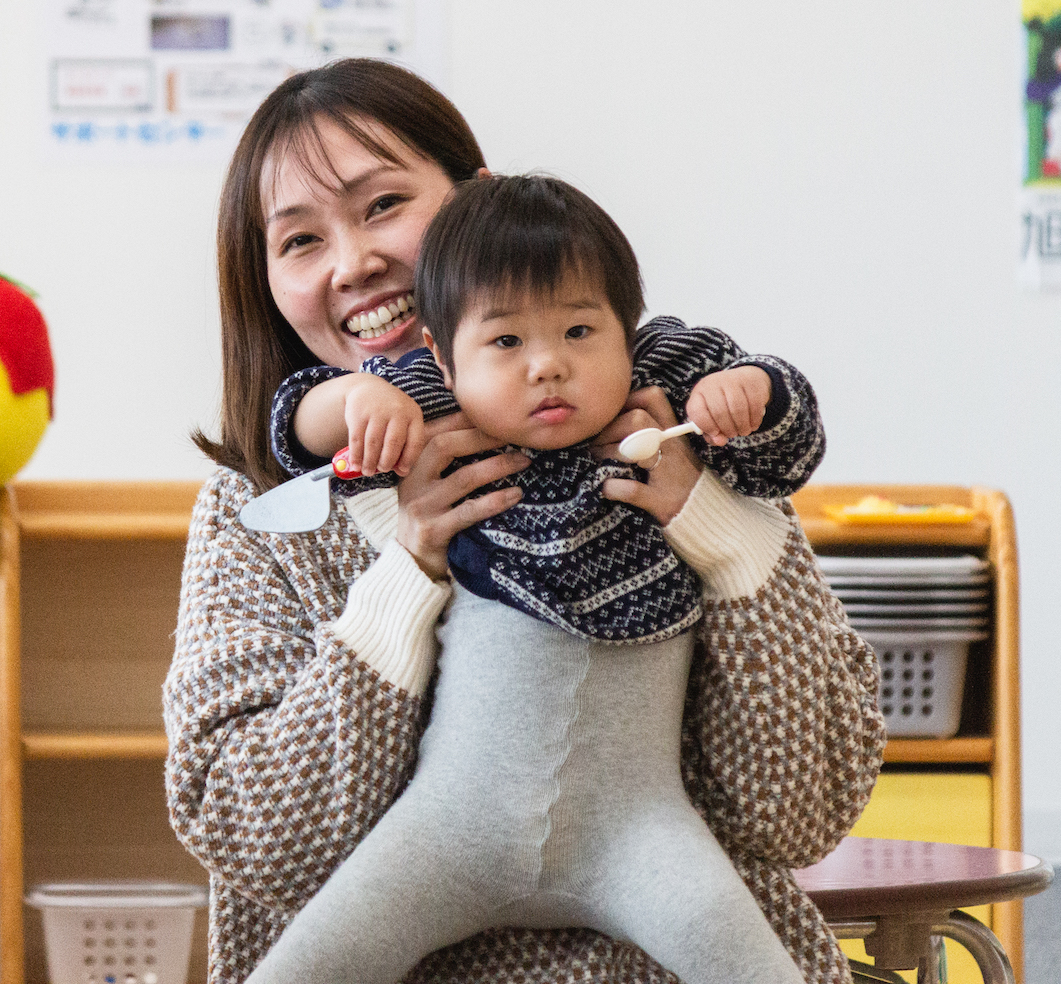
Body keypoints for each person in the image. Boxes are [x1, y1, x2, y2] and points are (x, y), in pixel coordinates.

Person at [163, 58, 885, 984]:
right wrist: (409, 571)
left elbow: (799, 812)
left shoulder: (664, 427)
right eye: (301, 241)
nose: (353, 263)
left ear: (478, 203)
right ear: (265, 282)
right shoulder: (261, 510)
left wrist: (716, 527)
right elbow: (263, 843)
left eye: (383, 205)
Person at [242, 174, 818, 984]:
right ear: (444, 355)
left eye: (582, 331)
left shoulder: (667, 399)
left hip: (644, 833)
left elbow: (789, 435)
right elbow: (296, 425)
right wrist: (355, 401)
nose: (548, 366)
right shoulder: (429, 407)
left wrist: (750, 390)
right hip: (445, 832)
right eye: (507, 344)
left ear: (629, 333)